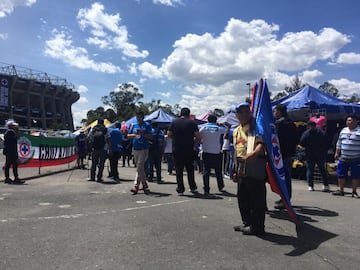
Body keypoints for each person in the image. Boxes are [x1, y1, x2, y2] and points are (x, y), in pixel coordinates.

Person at [232, 103, 266, 235]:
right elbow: (236, 150)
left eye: (247, 111)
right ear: (237, 115)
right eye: (241, 112)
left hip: (254, 163)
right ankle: (247, 223)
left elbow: (261, 144)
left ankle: (257, 227)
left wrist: (254, 153)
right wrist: (235, 169)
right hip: (241, 165)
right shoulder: (236, 130)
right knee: (243, 197)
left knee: (256, 197)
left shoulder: (255, 127)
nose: (244, 114)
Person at [167, 107, 200, 195]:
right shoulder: (192, 123)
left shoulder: (174, 122)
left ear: (180, 113)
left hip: (177, 149)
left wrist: (175, 138)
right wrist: (193, 142)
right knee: (190, 169)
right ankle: (192, 187)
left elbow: (169, 134)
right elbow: (198, 136)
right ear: (189, 114)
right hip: (188, 149)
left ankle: (180, 189)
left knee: (179, 170)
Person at [273, 104, 298, 209]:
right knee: (287, 177)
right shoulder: (291, 123)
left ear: (278, 111)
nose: (274, 113)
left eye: (275, 111)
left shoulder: (279, 124)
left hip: (280, 154)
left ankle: (285, 200)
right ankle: (286, 198)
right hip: (289, 153)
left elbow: (276, 139)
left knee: (282, 177)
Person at [333, 114, 360, 198]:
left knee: (355, 175)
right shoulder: (343, 130)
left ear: (356, 121)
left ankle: (354, 191)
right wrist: (337, 152)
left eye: (350, 120)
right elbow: (339, 142)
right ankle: (341, 190)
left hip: (356, 158)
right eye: (347, 120)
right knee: (341, 174)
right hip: (343, 157)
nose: (348, 122)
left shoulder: (359, 131)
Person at [199, 114, 226, 195]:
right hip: (216, 152)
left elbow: (199, 137)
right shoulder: (219, 128)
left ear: (208, 120)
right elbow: (227, 130)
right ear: (216, 120)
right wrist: (221, 124)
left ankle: (206, 189)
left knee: (206, 171)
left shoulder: (203, 128)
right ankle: (220, 186)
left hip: (206, 151)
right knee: (218, 171)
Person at [299, 120, 329, 191]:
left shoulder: (306, 133)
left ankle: (310, 186)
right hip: (321, 154)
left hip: (310, 154)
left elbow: (301, 142)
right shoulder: (322, 132)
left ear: (308, 126)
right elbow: (327, 143)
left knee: (310, 170)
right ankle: (326, 185)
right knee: (322, 170)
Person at [128, 111, 152, 194]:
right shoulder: (133, 125)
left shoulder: (147, 125)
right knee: (140, 168)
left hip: (144, 148)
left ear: (143, 117)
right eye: (137, 116)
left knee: (139, 166)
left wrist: (142, 133)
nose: (139, 118)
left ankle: (136, 186)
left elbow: (150, 136)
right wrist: (134, 135)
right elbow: (128, 135)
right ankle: (145, 184)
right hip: (135, 148)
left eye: (140, 116)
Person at [3, 119, 24, 184]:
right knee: (13, 165)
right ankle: (15, 178)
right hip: (11, 151)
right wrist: (17, 131)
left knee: (8, 165)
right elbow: (17, 138)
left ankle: (8, 178)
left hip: (9, 150)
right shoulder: (10, 132)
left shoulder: (8, 132)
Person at [88, 118, 108, 182]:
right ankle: (99, 177)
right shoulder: (105, 129)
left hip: (95, 148)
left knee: (94, 163)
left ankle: (92, 177)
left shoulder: (94, 129)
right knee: (101, 164)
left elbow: (89, 137)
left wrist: (91, 144)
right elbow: (108, 138)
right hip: (103, 148)